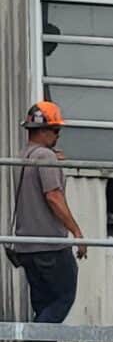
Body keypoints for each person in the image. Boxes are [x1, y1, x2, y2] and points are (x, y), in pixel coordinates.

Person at [12, 101, 86, 324]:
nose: (57, 136)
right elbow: (53, 196)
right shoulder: (45, 158)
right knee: (64, 297)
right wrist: (77, 232)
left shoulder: (23, 156)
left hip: (26, 244)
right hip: (49, 245)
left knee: (43, 303)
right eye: (56, 131)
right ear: (43, 131)